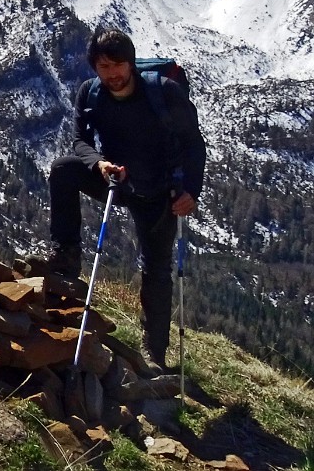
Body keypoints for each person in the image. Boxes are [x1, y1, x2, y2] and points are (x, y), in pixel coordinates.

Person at [40, 28, 205, 370]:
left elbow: (194, 144)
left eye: (118, 65)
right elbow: (79, 141)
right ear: (95, 68)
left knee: (156, 270)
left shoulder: (164, 93)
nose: (112, 73)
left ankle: (154, 352)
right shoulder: (91, 94)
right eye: (104, 67)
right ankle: (66, 254)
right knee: (63, 171)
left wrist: (191, 190)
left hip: (160, 192)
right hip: (117, 179)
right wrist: (98, 163)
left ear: (131, 63)